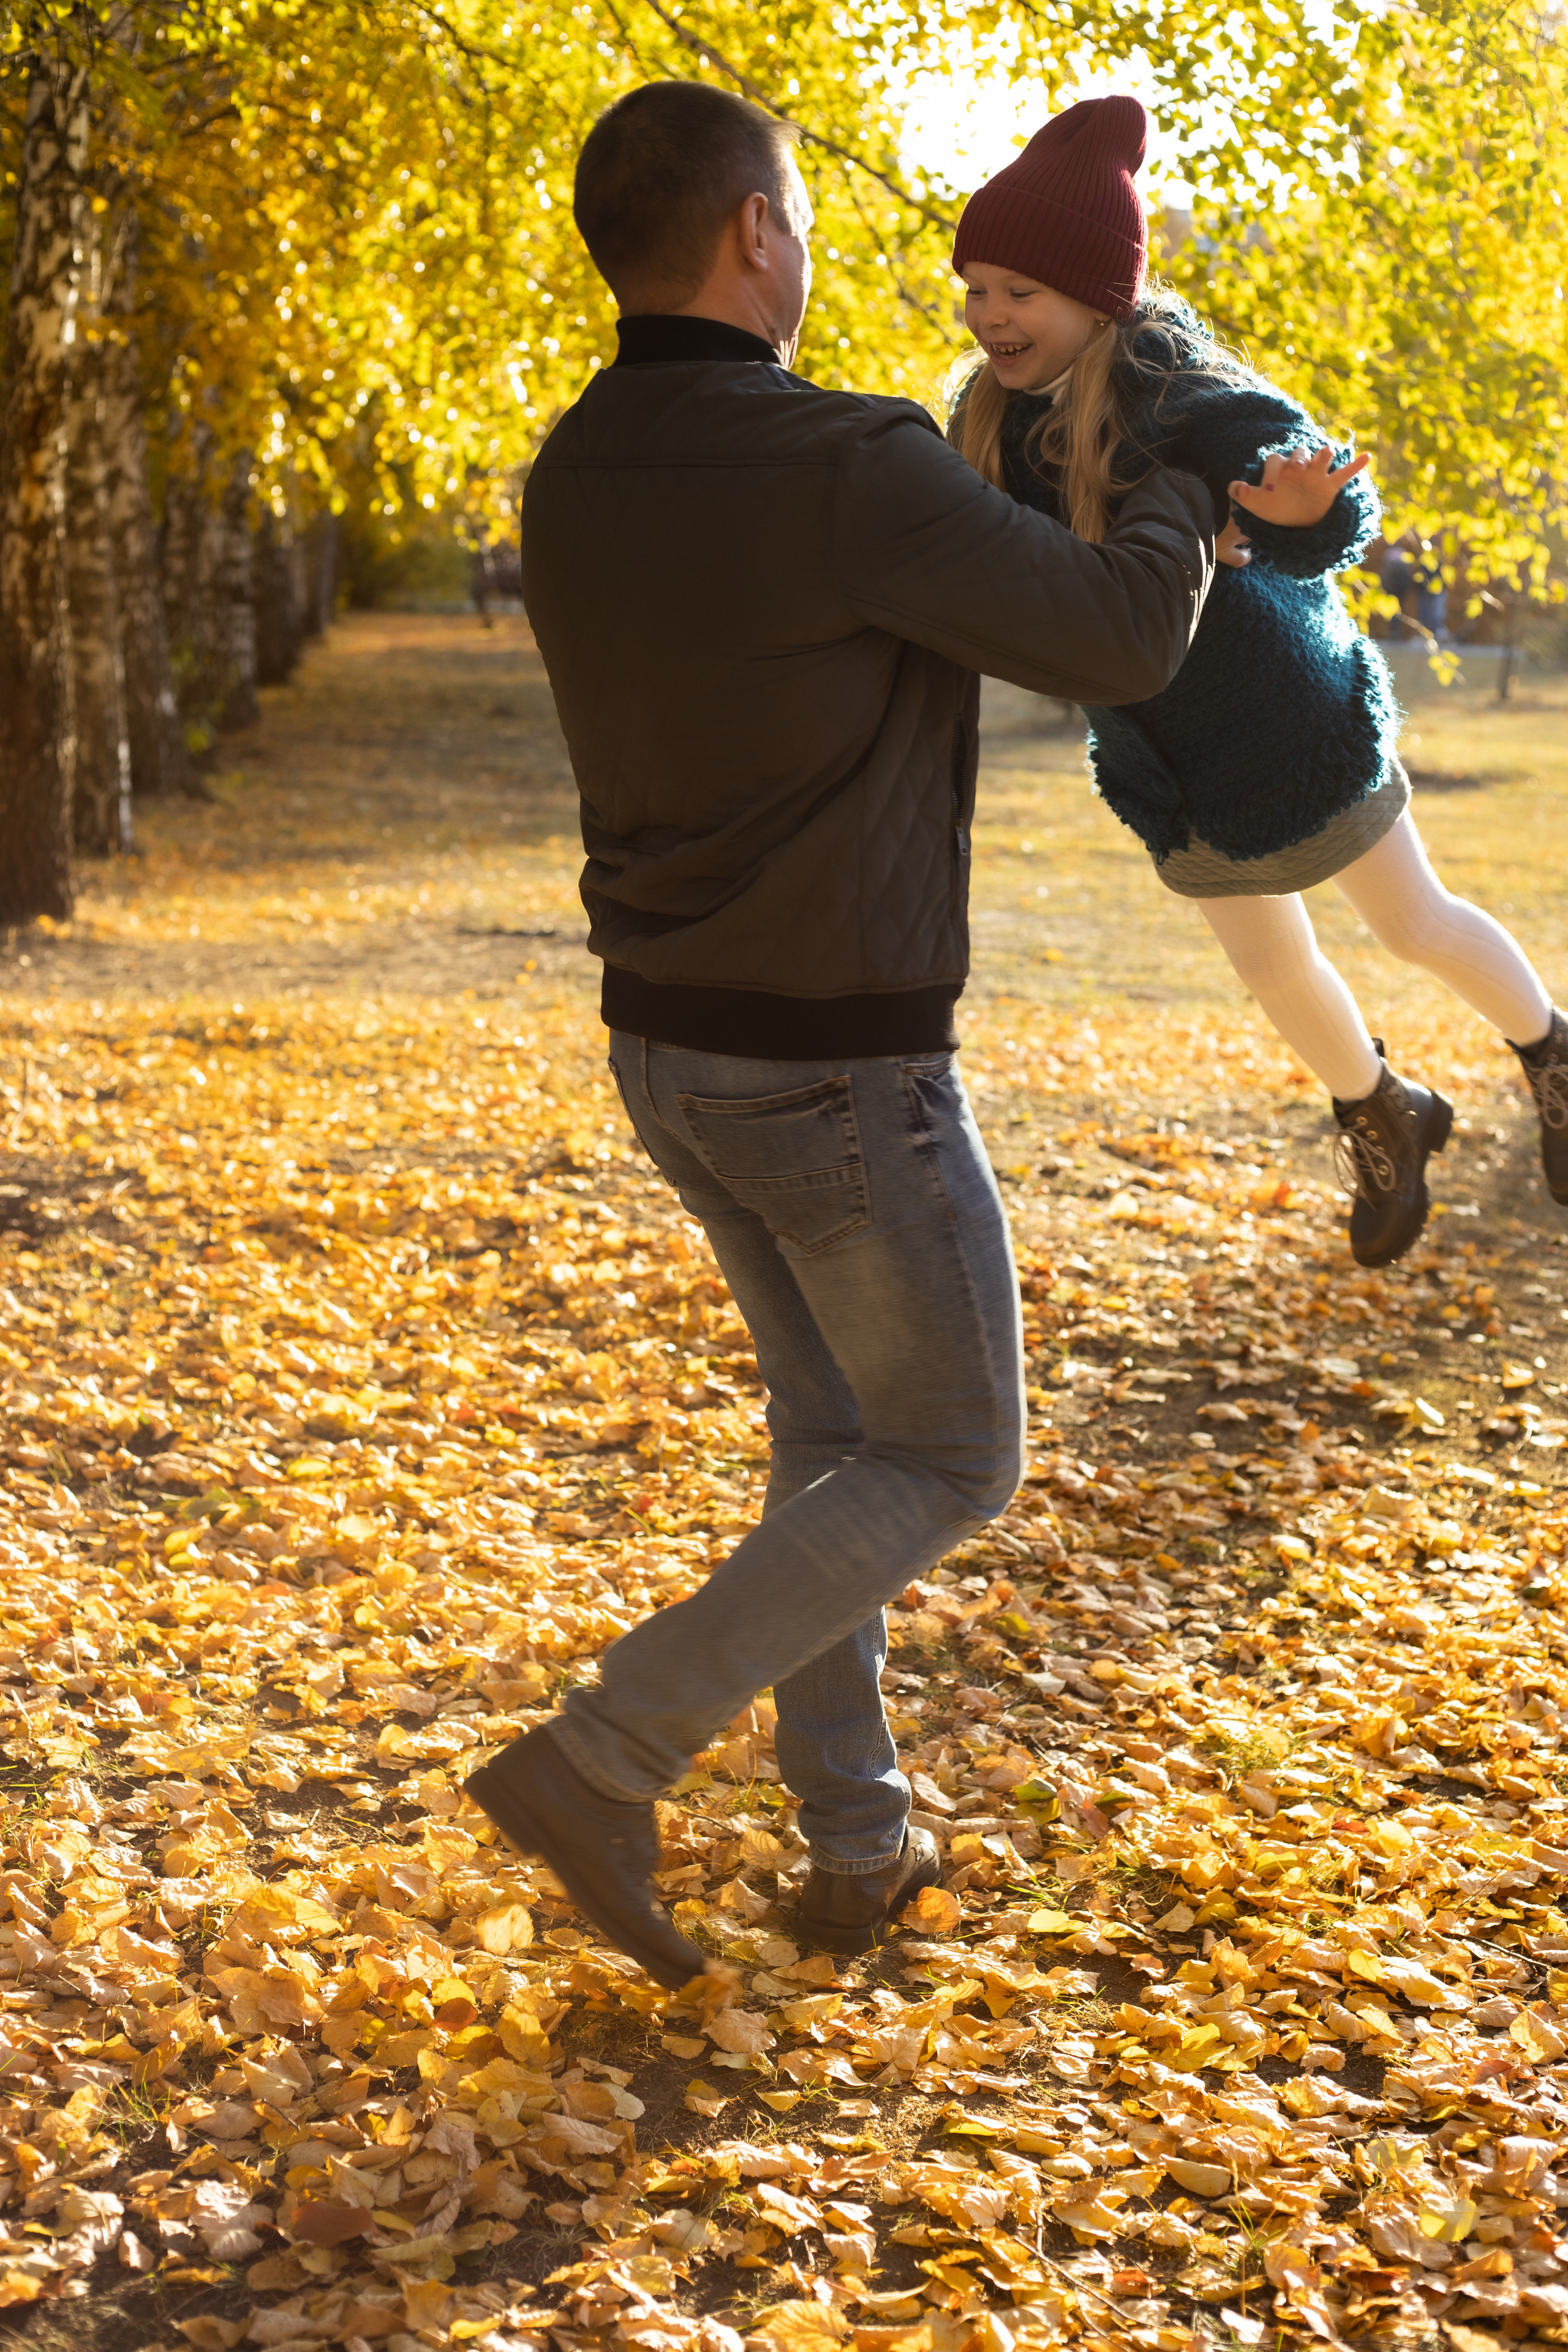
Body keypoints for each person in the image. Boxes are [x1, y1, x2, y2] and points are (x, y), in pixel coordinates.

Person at [464, 80, 1216, 1988]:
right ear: (750, 237)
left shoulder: (576, 465)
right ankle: (607, 1752)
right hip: (835, 1065)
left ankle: (856, 1835)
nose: (805, 245)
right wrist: (1188, 461)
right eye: (794, 215)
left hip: (672, 1056)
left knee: (833, 1439)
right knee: (955, 1453)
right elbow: (1123, 635)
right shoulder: (839, 462)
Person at [948, 96, 1568, 1268]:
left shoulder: (1176, 394)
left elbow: (1315, 489)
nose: (991, 315)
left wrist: (1309, 511)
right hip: (1169, 766)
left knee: (1411, 925)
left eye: (1019, 292)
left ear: (1097, 296)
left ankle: (1552, 1052)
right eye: (975, 288)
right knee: (1272, 965)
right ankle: (1382, 1108)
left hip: (1294, 723)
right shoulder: (982, 422)